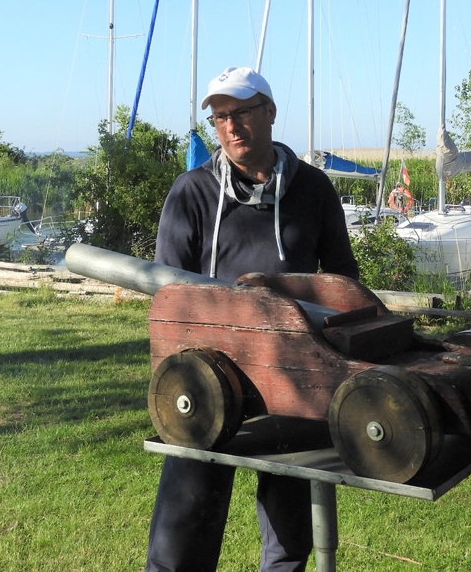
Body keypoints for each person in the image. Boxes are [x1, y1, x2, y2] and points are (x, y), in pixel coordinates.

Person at [145, 66, 359, 572]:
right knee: (183, 532)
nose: (231, 127)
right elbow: (168, 296)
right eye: (220, 118)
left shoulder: (313, 188)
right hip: (209, 382)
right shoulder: (192, 192)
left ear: (270, 112)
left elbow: (343, 282)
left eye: (241, 113)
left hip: (295, 376)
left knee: (290, 537)